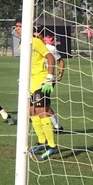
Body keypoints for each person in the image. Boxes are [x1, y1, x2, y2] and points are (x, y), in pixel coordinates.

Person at [27, 27, 59, 160]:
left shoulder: (35, 41)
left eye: (20, 26)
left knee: (41, 110)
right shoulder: (23, 44)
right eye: (16, 27)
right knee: (31, 111)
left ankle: (52, 145)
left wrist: (50, 78)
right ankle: (42, 142)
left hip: (42, 81)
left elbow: (51, 58)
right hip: (30, 83)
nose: (18, 29)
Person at [42, 34, 65, 133]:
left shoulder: (51, 48)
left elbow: (61, 61)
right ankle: (56, 126)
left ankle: (57, 126)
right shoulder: (35, 46)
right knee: (38, 104)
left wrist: (60, 73)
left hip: (48, 79)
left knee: (43, 104)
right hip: (37, 78)